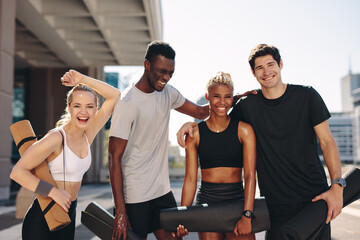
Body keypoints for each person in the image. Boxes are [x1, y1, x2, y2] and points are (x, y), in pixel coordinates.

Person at [177, 44, 344, 240]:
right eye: (259, 68)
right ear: (253, 73)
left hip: (313, 198)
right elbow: (220, 113)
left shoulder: (307, 96)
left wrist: (337, 186)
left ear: (280, 64)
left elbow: (327, 143)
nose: (266, 72)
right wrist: (191, 124)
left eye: (270, 64)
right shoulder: (247, 106)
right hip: (273, 204)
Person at [108, 40, 209, 240]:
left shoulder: (168, 93)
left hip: (161, 191)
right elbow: (114, 158)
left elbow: (200, 111)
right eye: (161, 71)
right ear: (147, 65)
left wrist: (235, 98)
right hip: (135, 195)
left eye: (170, 73)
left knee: (176, 238)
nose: (166, 77)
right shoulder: (127, 103)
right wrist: (121, 210)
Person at [10, 70, 120, 240]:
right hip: (43, 217)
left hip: (68, 215)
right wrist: (53, 192)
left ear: (96, 108)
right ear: (69, 108)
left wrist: (82, 79)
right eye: (77, 106)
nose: (83, 112)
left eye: (89, 106)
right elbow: (17, 172)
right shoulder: (56, 137)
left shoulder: (87, 134)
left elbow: (115, 95)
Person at [180, 71, 257, 240]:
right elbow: (191, 179)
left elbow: (250, 175)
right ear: (207, 96)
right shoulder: (195, 134)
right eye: (216, 96)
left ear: (232, 98)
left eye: (227, 97)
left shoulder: (244, 130)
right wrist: (182, 217)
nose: (222, 102)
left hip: (237, 203)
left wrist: (247, 214)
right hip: (207, 204)